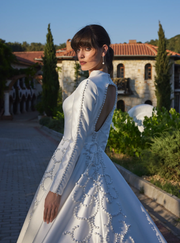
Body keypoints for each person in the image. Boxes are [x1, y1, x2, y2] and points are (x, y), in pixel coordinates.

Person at [17, 25, 166, 243]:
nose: (80, 55)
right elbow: (100, 139)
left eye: (87, 48)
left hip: (73, 167)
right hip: (98, 165)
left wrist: (56, 191)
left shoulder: (88, 86)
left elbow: (75, 140)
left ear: (103, 49)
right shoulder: (111, 87)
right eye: (78, 49)